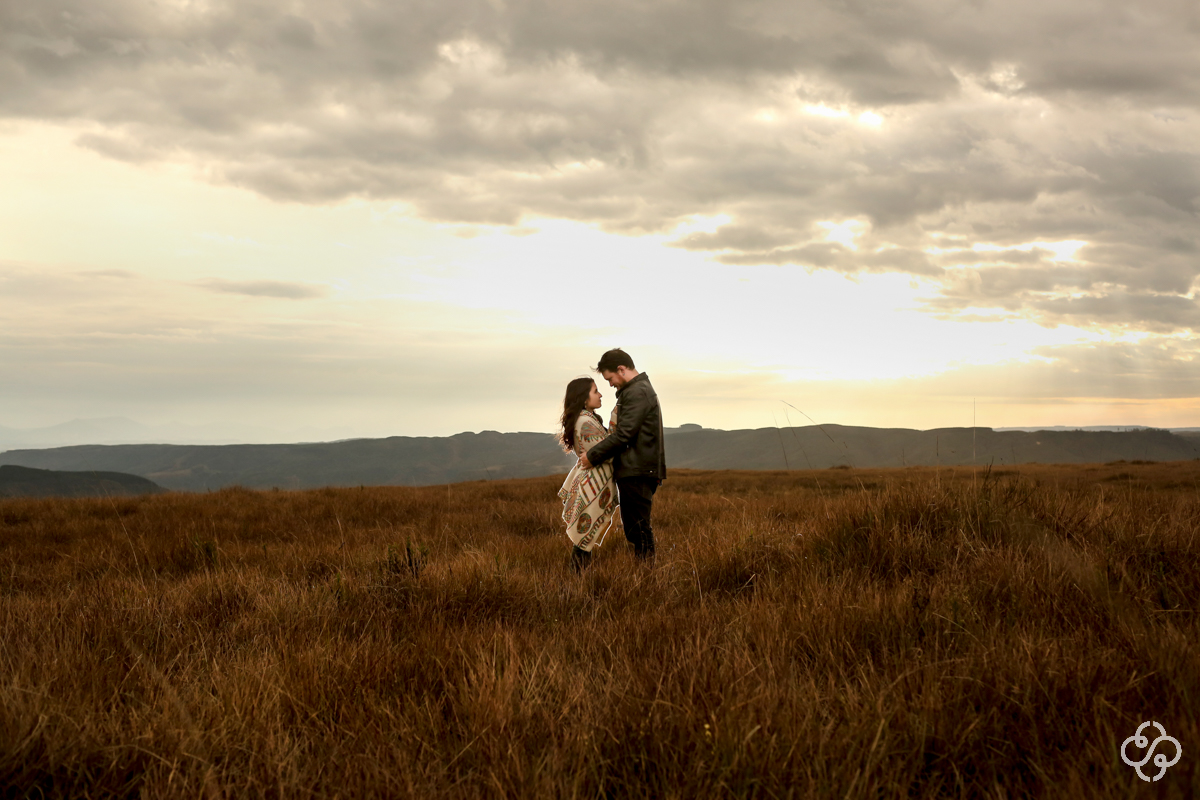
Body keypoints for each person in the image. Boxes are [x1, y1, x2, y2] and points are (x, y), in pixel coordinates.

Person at [577, 349, 665, 561]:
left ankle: (647, 575)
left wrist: (592, 456)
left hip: (638, 470)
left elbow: (624, 434)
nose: (610, 384)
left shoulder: (637, 392)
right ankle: (646, 572)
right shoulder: (637, 390)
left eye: (610, 378)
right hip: (637, 468)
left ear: (621, 369)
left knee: (638, 528)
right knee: (636, 527)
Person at [557, 377, 619, 572]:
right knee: (584, 540)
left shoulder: (586, 418)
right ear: (584, 398)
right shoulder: (585, 422)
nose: (600, 394)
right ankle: (576, 583)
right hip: (592, 487)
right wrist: (617, 415)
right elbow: (608, 451)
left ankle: (577, 581)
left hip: (592, 484)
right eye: (595, 391)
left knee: (584, 539)